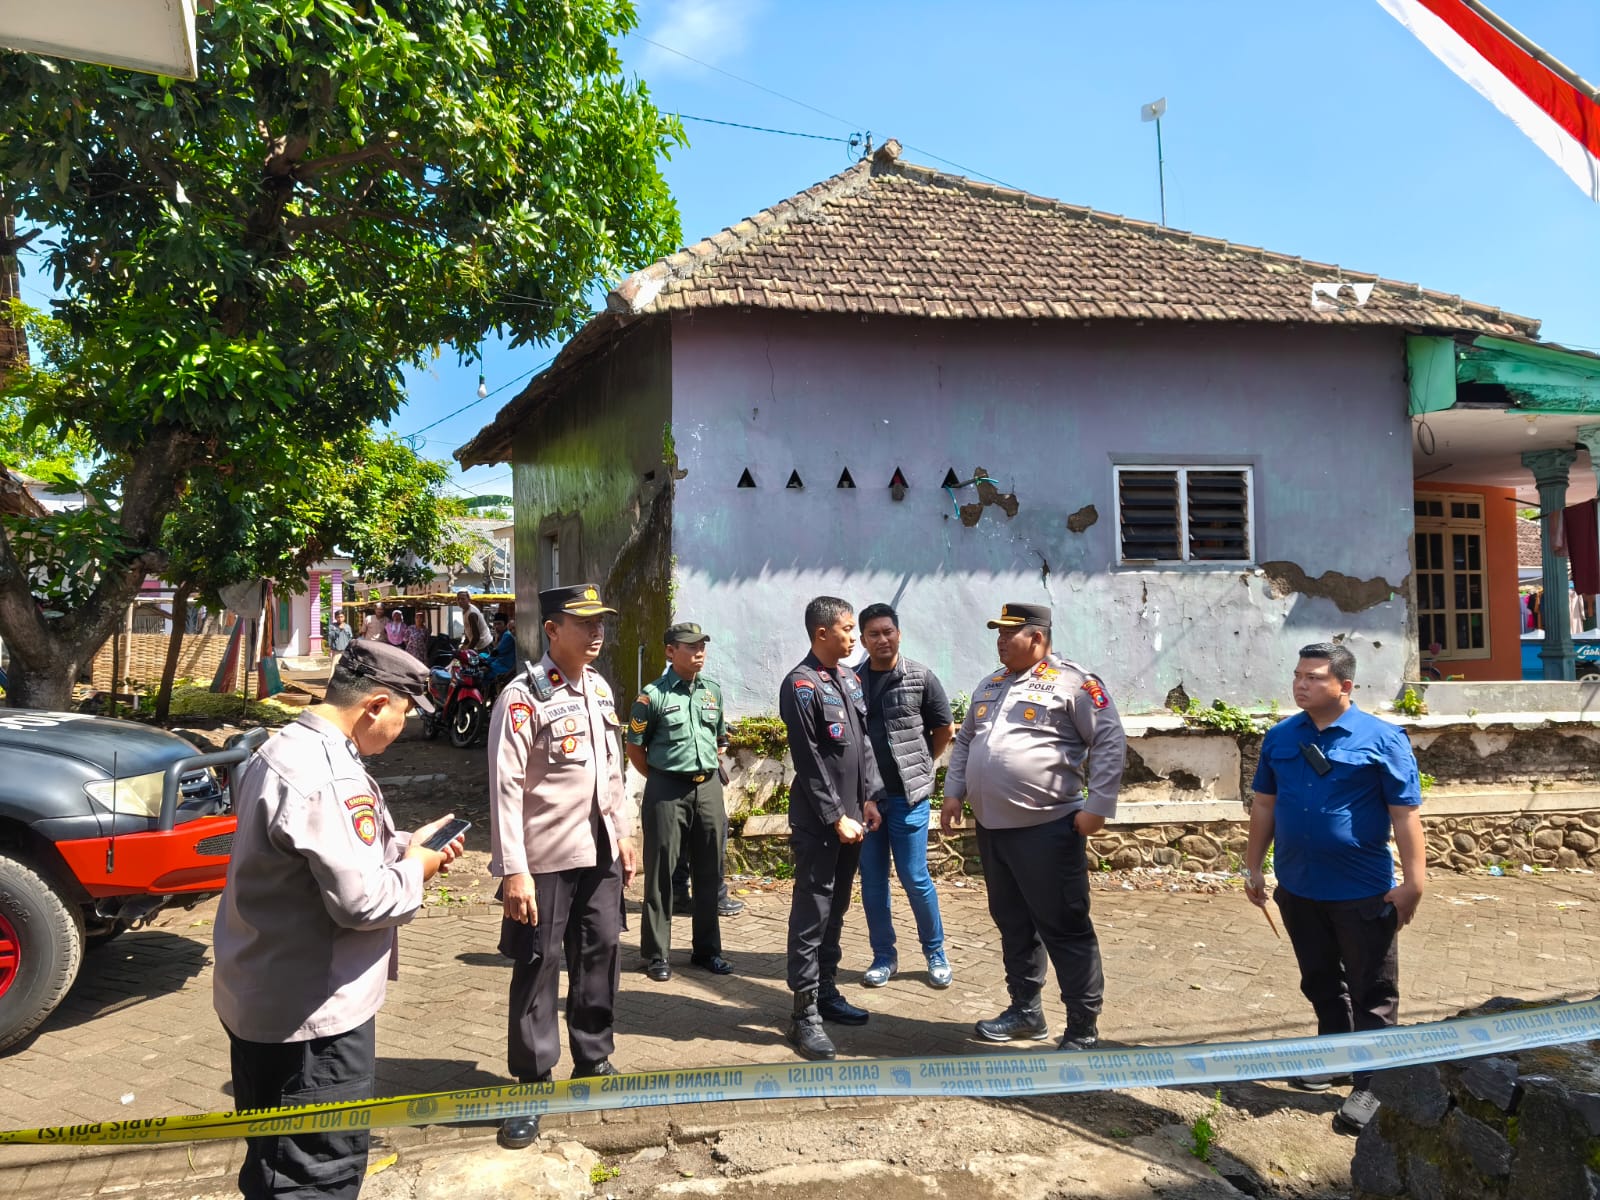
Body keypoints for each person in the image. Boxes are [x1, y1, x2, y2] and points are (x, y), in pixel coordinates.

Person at [212, 639, 465, 1200]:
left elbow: (317, 857)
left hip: (266, 996)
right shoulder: (330, 776)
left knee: (274, 1165)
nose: (405, 729)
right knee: (315, 1177)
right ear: (376, 704)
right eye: (404, 714)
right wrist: (417, 869)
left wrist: (402, 844)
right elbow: (363, 902)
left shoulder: (284, 747)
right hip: (313, 1022)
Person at [1244, 642, 1426, 1135]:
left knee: (1373, 991)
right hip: (1299, 888)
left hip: (1361, 891)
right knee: (1322, 981)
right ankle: (1336, 1055)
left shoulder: (1382, 739)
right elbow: (1264, 805)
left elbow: (1405, 814)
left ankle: (1372, 1083)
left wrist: (1415, 883)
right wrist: (1253, 866)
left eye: (1315, 677)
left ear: (1345, 686)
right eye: (1298, 674)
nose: (1301, 684)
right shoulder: (1281, 737)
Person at [487, 583, 637, 1150]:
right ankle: (530, 1084)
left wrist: (622, 833)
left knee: (601, 951)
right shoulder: (522, 696)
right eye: (584, 623)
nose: (597, 633)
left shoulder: (599, 689)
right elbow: (504, 789)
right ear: (553, 630)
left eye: (601, 623)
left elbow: (611, 768)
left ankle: (593, 1060)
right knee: (539, 964)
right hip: (544, 859)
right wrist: (513, 871)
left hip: (598, 852)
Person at [940, 602, 1126, 1052]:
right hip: (993, 830)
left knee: (1064, 925)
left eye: (1010, 634)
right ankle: (1026, 1011)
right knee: (1013, 922)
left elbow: (1109, 739)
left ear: (1037, 638)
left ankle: (1082, 1026)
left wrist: (1098, 805)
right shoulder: (992, 683)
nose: (1001, 642)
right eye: (998, 635)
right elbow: (965, 740)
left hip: (1048, 829)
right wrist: (953, 791)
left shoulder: (1076, 684)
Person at [777, 596, 884, 1061]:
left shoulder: (848, 679)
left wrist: (869, 798)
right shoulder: (800, 685)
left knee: (836, 908)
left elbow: (862, 744)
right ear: (822, 633)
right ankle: (804, 1015)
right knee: (812, 913)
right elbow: (809, 758)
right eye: (846, 628)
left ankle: (826, 992)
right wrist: (833, 814)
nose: (854, 636)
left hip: (853, 818)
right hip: (822, 823)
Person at [626, 622, 734, 983]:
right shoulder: (652, 696)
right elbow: (635, 748)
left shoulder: (713, 692)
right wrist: (662, 776)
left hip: (708, 790)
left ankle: (707, 951)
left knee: (709, 872)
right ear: (671, 652)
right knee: (660, 874)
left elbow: (720, 738)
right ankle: (657, 954)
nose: (699, 652)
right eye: (691, 647)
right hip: (667, 790)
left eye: (702, 645)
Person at [855, 602, 955, 990]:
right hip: (867, 801)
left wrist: (921, 767)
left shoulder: (920, 677)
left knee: (915, 878)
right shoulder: (852, 681)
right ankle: (884, 956)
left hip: (908, 799)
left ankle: (935, 952)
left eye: (888, 631)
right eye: (873, 634)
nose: (882, 639)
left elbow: (943, 729)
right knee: (873, 882)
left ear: (899, 633)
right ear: (863, 639)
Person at [488, 611, 518, 683]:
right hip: (501, 663)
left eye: (499, 624)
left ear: (505, 625)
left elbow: (496, 652)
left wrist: (486, 663)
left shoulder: (507, 635)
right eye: (495, 624)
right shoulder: (500, 635)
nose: (496, 626)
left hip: (504, 666)